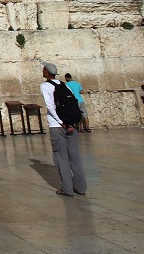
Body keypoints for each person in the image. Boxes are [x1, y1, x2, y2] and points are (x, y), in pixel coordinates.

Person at [41, 62, 87, 197]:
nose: (42, 71)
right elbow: (74, 103)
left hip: (57, 126)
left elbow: (50, 106)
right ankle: (81, 187)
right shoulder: (64, 85)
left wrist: (61, 122)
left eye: (44, 69)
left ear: (47, 72)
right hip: (71, 124)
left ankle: (67, 189)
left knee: (61, 157)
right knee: (75, 157)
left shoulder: (44, 86)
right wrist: (71, 122)